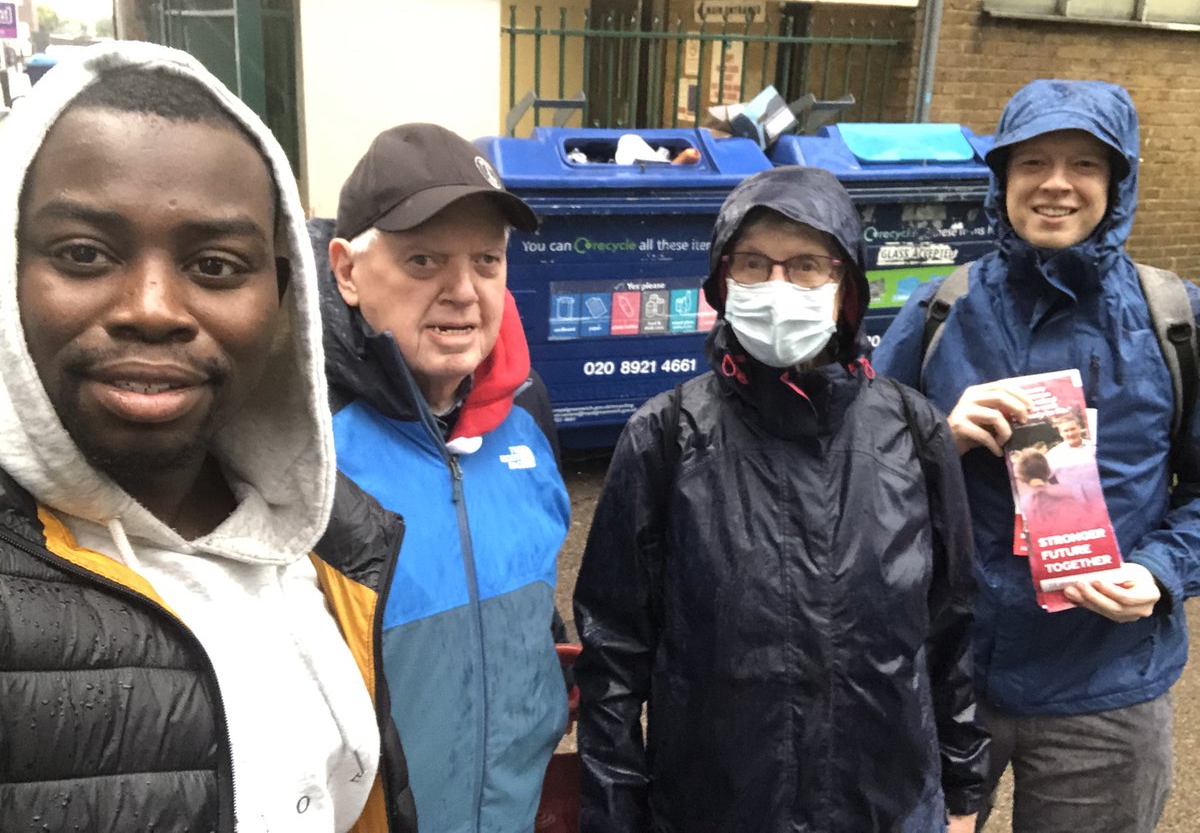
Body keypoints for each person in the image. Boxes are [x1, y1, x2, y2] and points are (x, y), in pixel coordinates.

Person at [0, 41, 415, 831]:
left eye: (217, 266)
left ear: (283, 298)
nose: (153, 308)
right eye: (84, 254)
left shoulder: (331, 546)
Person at [572, 166, 988, 832]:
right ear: (723, 280)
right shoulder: (665, 437)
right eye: (753, 263)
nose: (776, 286)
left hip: (887, 810)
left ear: (845, 287)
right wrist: (615, 819)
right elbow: (615, 660)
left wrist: (961, 792)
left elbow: (951, 628)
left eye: (805, 266)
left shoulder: (913, 431)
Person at [873, 79, 1200, 832]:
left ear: (1118, 184)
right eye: (1033, 163)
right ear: (1002, 182)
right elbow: (852, 478)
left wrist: (1161, 571)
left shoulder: (1175, 321)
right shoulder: (940, 312)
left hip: (1107, 684)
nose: (1056, 183)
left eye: (1084, 164)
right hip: (944, 675)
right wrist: (937, 437)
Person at [311, 122, 571, 832]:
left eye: (487, 260)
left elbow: (531, 599)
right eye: (423, 259)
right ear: (346, 271)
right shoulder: (299, 435)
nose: (463, 291)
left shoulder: (526, 411)